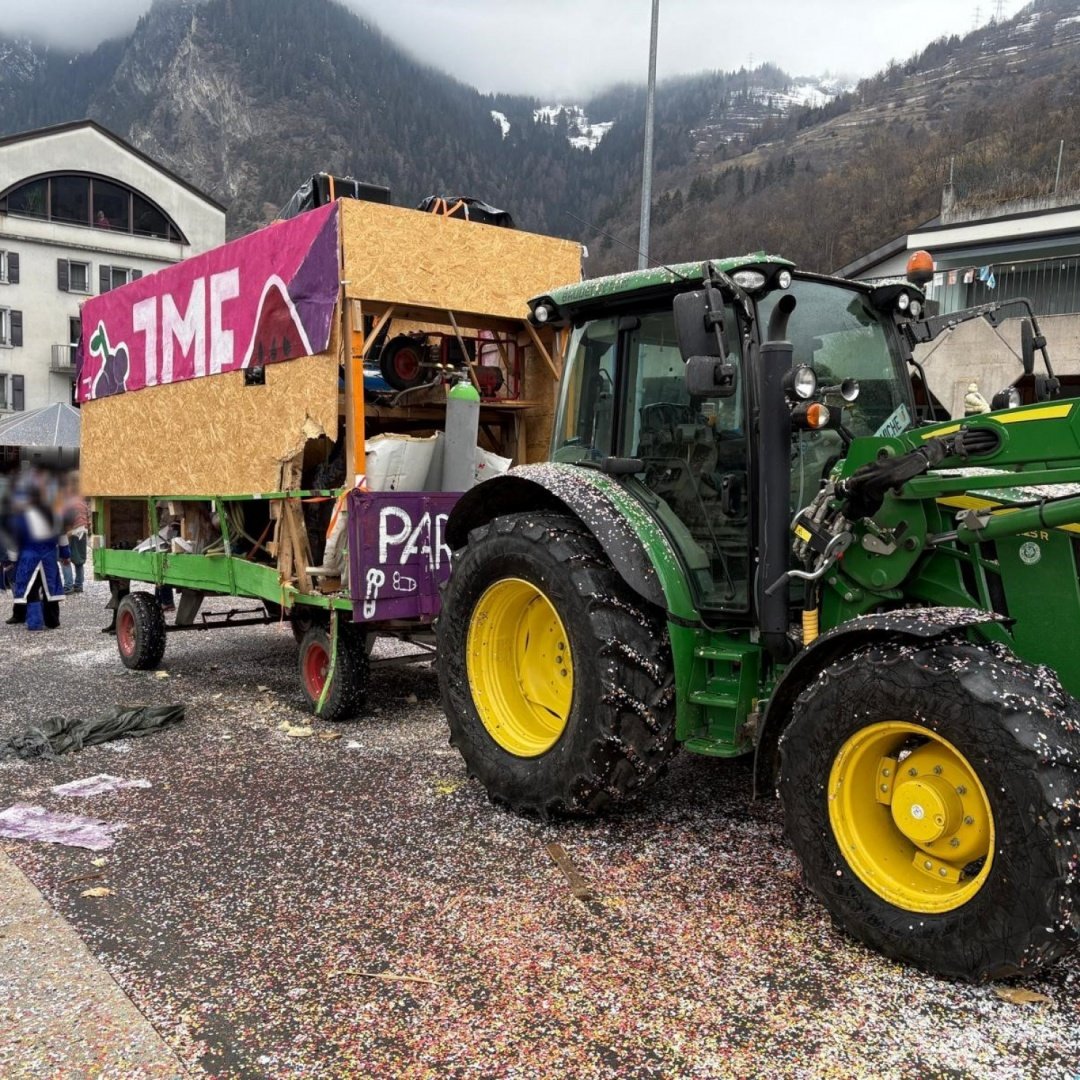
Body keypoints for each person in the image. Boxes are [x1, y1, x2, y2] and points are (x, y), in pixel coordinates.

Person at [5, 473, 67, 631]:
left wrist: (12, 559)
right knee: (49, 588)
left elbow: (15, 540)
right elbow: (62, 536)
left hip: (29, 557)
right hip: (49, 557)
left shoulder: (21, 516)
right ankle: (52, 621)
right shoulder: (54, 514)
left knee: (31, 589)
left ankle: (35, 622)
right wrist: (65, 553)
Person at [61, 476, 91, 593]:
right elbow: (88, 519)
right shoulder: (82, 502)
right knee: (79, 560)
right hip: (82, 532)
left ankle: (68, 586)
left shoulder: (68, 502)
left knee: (65, 559)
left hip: (71, 532)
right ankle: (79, 585)